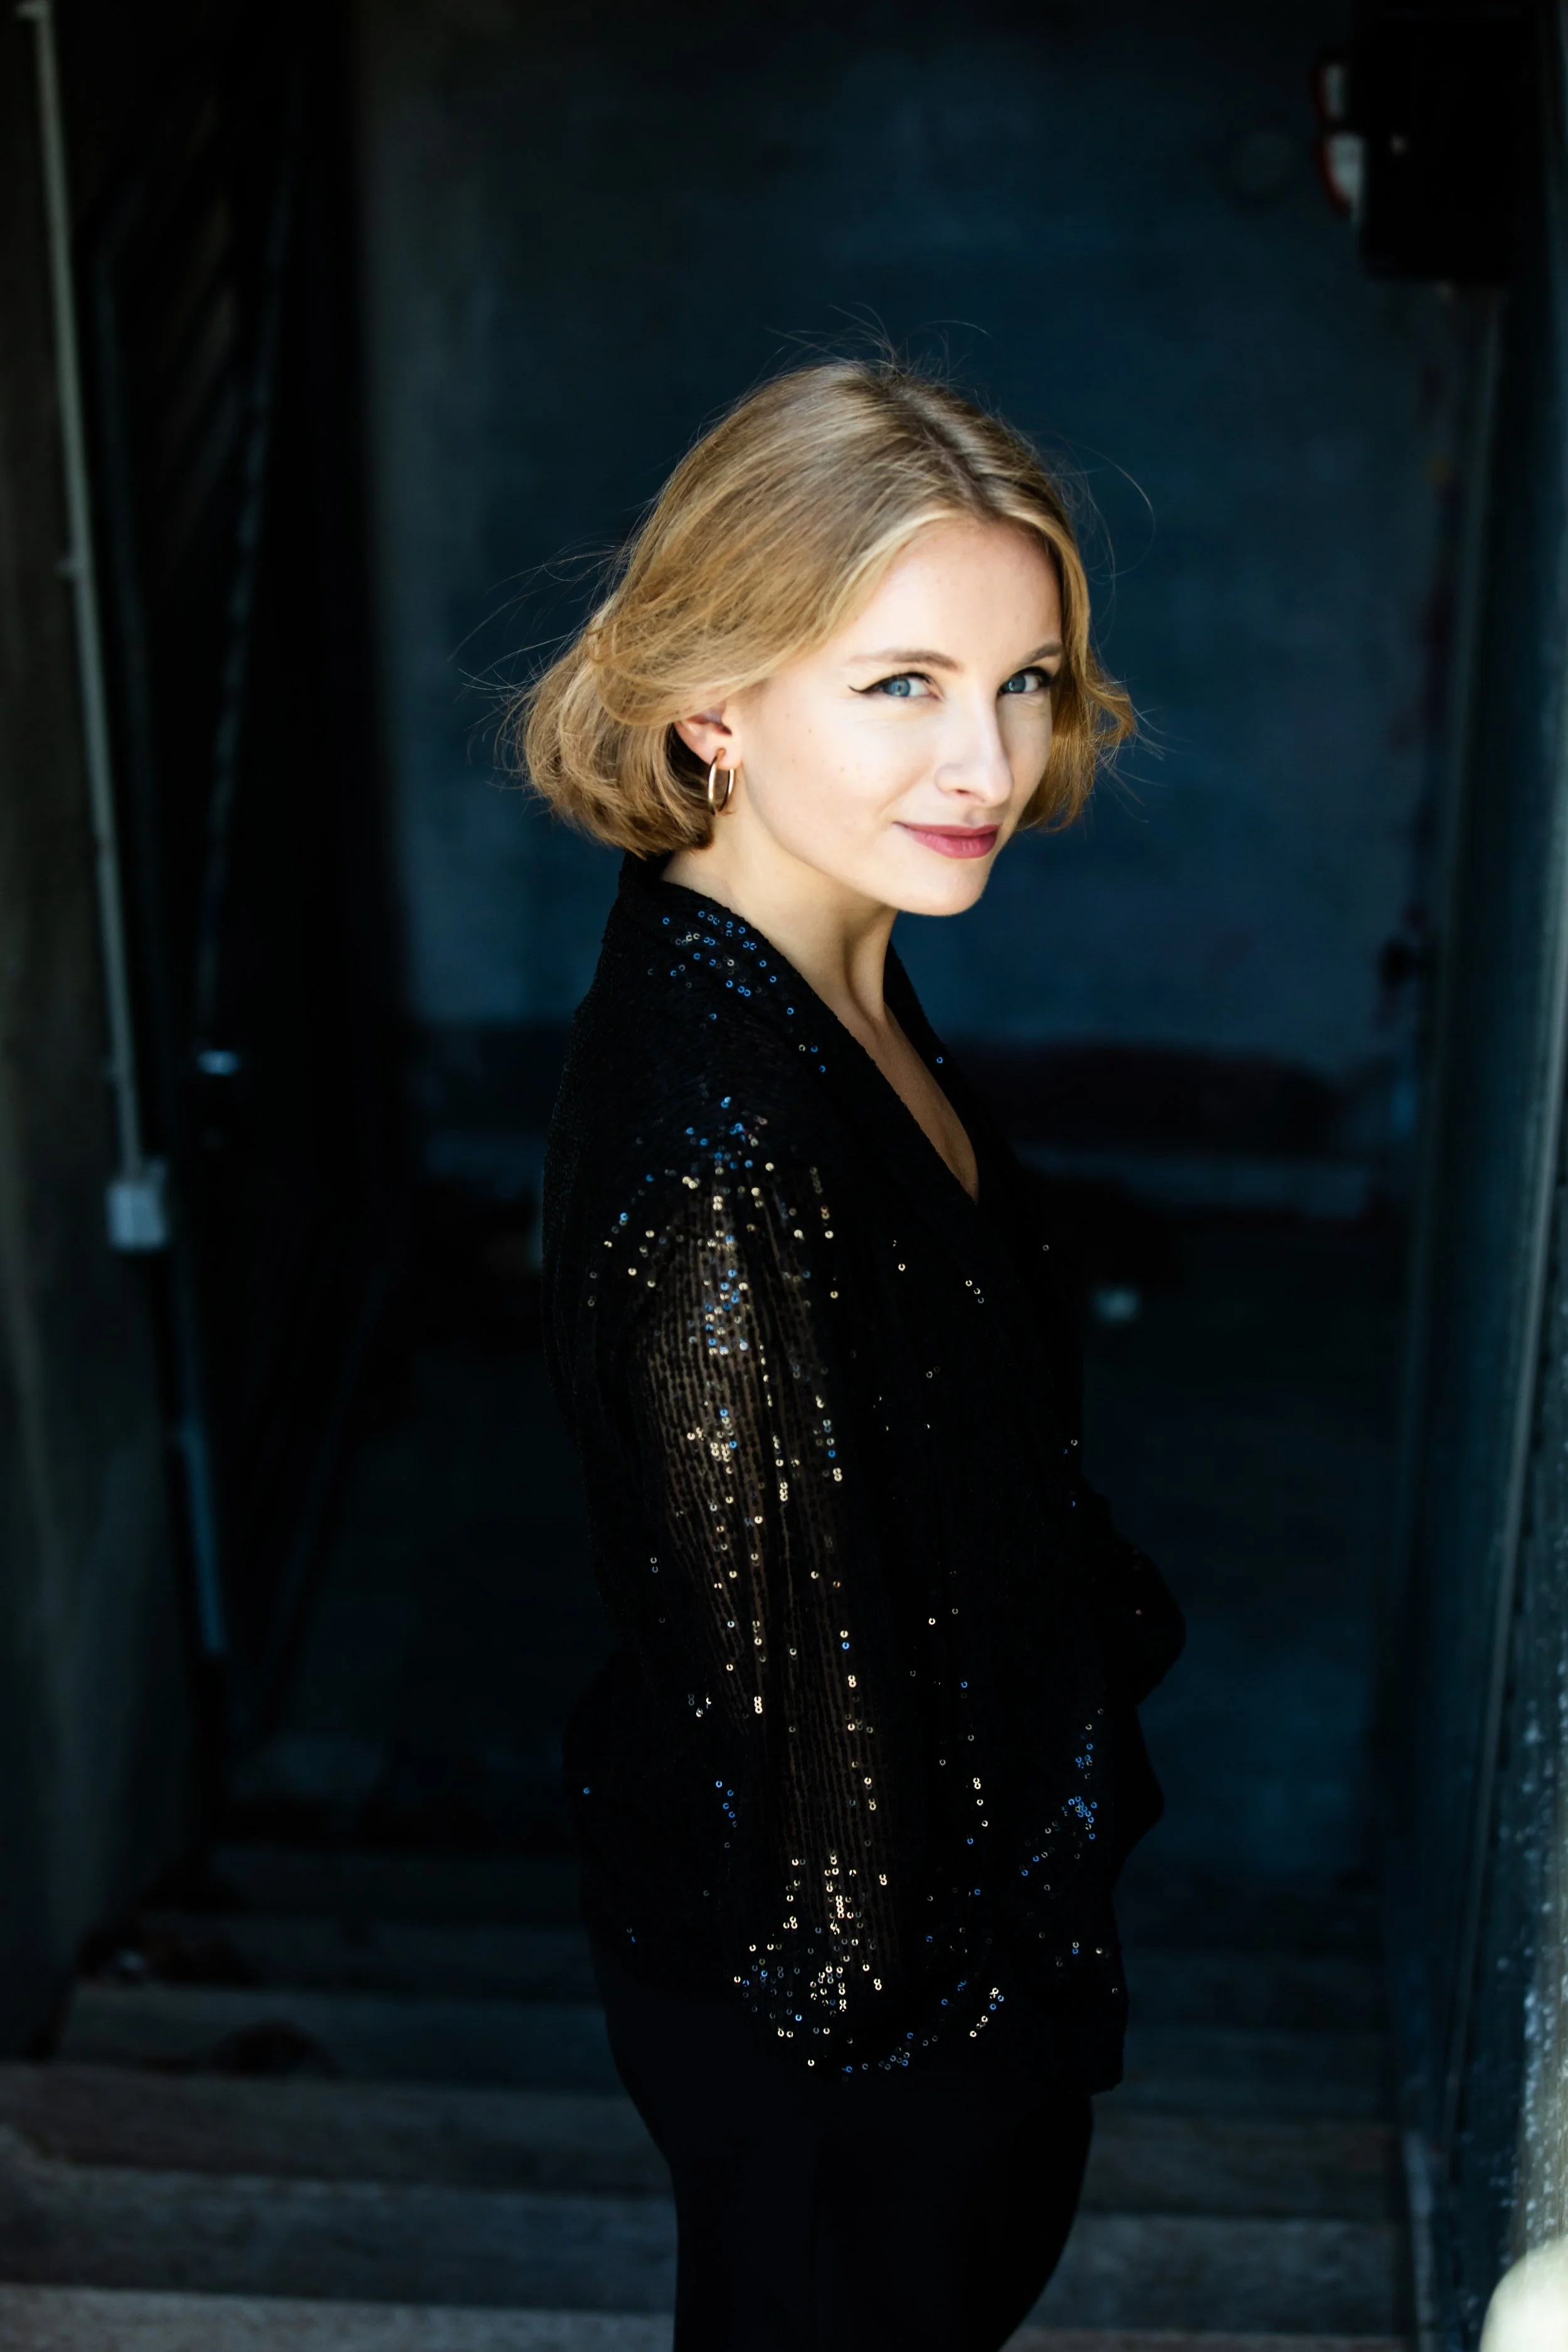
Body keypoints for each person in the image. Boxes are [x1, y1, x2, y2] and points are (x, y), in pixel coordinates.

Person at [523, 361, 1184, 2351]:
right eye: (901, 682)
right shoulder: (721, 1151)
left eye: (1022, 681)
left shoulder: (836, 979)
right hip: (862, 2056)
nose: (985, 759)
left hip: (944, 1983)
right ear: (711, 705)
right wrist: (963, 2077)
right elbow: (812, 1832)